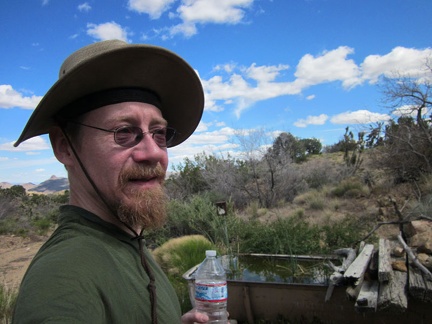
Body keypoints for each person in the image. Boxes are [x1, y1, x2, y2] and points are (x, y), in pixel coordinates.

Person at [12, 40, 210, 323]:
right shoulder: (62, 281)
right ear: (64, 146)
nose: (153, 153)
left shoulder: (127, 243)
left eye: (159, 133)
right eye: (124, 132)